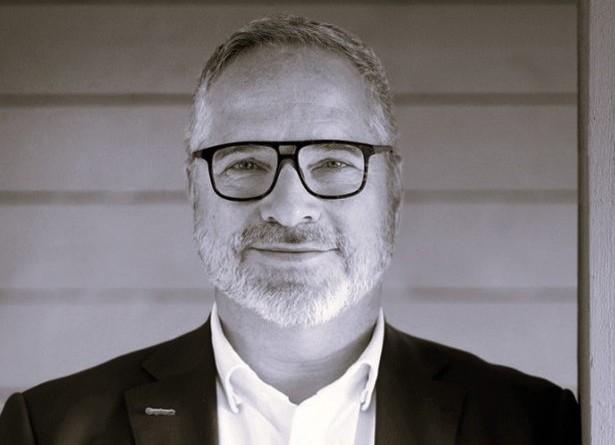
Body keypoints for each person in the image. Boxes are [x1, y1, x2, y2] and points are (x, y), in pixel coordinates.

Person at [0, 14, 580, 445]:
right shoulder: (46, 429)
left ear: (393, 192)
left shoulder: (535, 426)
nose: (289, 206)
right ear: (195, 192)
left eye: (332, 162)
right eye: (244, 163)